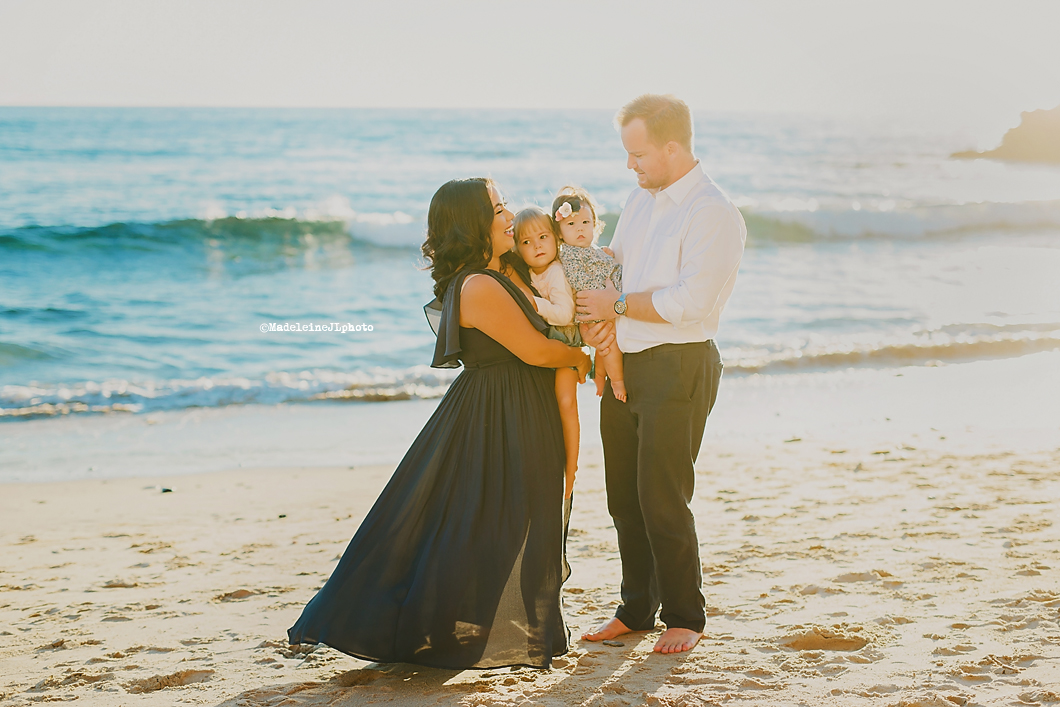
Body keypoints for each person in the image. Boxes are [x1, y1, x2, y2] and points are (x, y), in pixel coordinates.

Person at [287, 177, 591, 670]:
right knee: (470, 522)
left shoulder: (505, 271)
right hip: (499, 413)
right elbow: (534, 349)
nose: (509, 215)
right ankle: (416, 628)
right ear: (475, 223)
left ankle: (471, 629)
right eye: (498, 209)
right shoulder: (477, 285)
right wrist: (579, 356)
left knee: (501, 521)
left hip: (515, 407)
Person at [577, 94, 746, 654]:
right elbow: (616, 268)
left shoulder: (712, 212)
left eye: (639, 153)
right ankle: (635, 609)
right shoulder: (640, 199)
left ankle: (684, 616)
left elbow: (690, 302)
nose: (631, 165)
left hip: (680, 364)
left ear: (672, 148)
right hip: (628, 364)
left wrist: (616, 306)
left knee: (662, 496)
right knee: (624, 498)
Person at [512, 205, 582, 500]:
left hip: (566, 342)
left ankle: (573, 467)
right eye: (527, 242)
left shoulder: (555, 272)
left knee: (566, 402)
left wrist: (532, 303)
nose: (537, 246)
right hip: (548, 342)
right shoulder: (528, 272)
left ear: (555, 238)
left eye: (542, 237)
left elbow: (565, 315)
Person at [551, 186, 626, 403]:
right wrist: (607, 275)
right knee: (609, 346)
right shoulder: (569, 254)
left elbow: (599, 263)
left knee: (604, 347)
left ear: (595, 224)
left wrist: (607, 256)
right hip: (592, 305)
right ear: (559, 232)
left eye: (586, 222)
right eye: (571, 224)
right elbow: (578, 279)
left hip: (601, 303)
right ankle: (618, 381)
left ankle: (601, 377)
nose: (580, 229)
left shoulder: (590, 249)